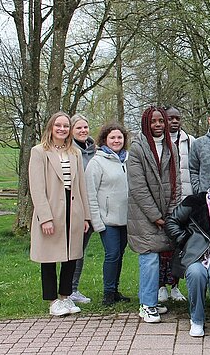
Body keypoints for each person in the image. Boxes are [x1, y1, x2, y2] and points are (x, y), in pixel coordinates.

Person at [29, 111, 90, 316]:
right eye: (58, 125)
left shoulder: (75, 153)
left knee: (71, 255)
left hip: (73, 210)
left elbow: (81, 185)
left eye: (66, 126)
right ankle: (52, 300)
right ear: (51, 128)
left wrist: (86, 216)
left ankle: (65, 296)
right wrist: (44, 217)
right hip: (51, 209)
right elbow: (37, 188)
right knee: (49, 257)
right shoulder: (39, 152)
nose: (62, 129)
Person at [127, 106, 182, 323]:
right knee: (149, 258)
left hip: (166, 213)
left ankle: (150, 299)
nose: (158, 125)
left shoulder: (171, 147)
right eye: (154, 121)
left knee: (159, 258)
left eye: (161, 121)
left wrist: (171, 213)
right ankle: (147, 306)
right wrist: (155, 216)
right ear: (146, 124)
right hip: (143, 215)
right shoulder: (138, 149)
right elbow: (138, 187)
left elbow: (176, 182)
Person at [165, 176, 210, 337]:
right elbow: (171, 222)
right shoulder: (194, 201)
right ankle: (196, 320)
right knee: (196, 273)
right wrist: (184, 239)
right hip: (193, 254)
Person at [85, 122, 131, 306]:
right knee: (111, 254)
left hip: (126, 219)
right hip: (107, 219)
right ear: (105, 139)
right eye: (112, 137)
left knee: (119, 254)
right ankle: (108, 293)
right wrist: (97, 221)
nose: (116, 140)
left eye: (119, 137)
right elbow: (91, 193)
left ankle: (115, 289)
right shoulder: (97, 162)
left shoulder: (127, 160)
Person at [158, 106, 191, 303]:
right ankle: (160, 285)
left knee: (180, 245)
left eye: (177, 118)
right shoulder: (158, 142)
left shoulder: (189, 141)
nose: (174, 122)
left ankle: (176, 286)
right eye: (170, 118)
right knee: (163, 246)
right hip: (164, 200)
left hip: (184, 199)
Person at [68, 114, 96, 304]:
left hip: (93, 209)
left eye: (85, 127)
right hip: (75, 208)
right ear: (71, 130)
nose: (83, 131)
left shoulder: (94, 152)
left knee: (81, 250)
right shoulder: (69, 151)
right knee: (73, 250)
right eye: (78, 128)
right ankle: (69, 289)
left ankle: (73, 288)